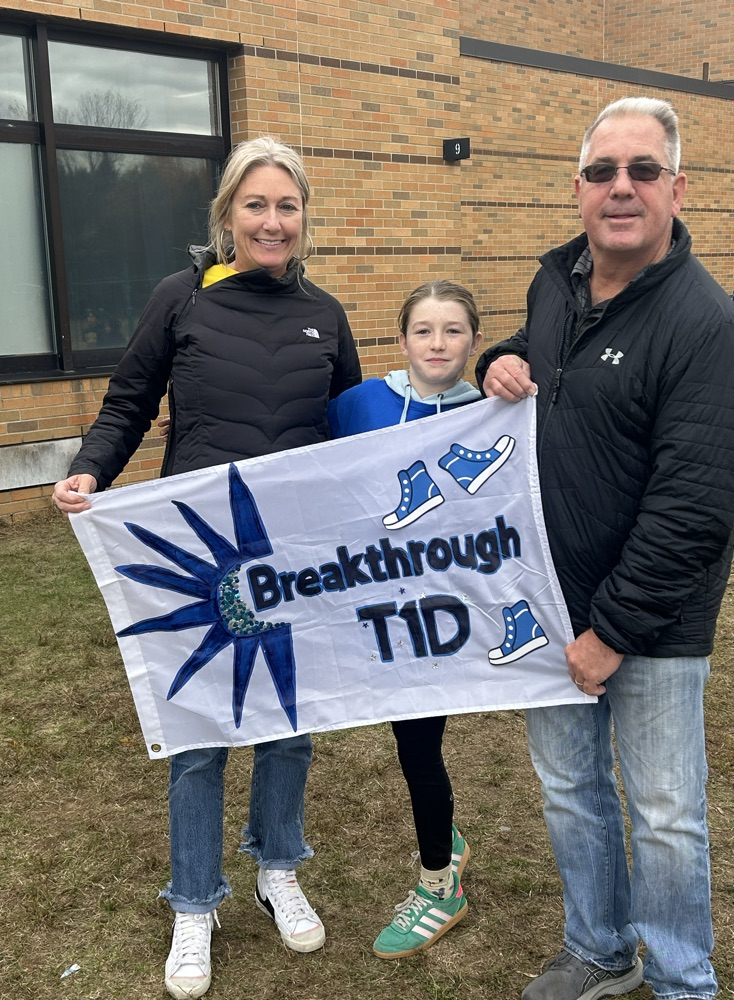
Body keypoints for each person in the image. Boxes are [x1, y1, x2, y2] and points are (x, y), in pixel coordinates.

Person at [52, 136, 361, 1000]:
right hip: (195, 551)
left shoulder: (326, 314)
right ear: (227, 215)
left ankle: (277, 868)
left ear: (305, 218)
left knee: (289, 724)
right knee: (199, 734)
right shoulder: (180, 298)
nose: (272, 220)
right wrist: (92, 468)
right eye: (255, 205)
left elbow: (351, 437)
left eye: (287, 206)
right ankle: (195, 901)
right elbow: (129, 401)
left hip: (293, 553)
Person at [477, 97, 734, 1000]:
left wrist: (611, 632)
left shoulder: (707, 322)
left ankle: (681, 980)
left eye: (642, 171)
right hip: (548, 601)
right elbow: (540, 362)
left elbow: (695, 506)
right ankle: (598, 947)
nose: (620, 188)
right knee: (569, 792)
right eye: (601, 172)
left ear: (677, 187)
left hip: (651, 624)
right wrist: (498, 362)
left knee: (666, 816)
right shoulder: (558, 282)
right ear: (577, 188)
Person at [329, 279, 482, 959]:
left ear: (475, 341)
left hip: (462, 608)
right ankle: (443, 854)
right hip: (385, 606)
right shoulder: (359, 404)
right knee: (412, 740)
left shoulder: (494, 411)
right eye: (424, 330)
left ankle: (439, 880)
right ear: (401, 340)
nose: (438, 343)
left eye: (453, 330)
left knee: (426, 742)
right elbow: (295, 472)